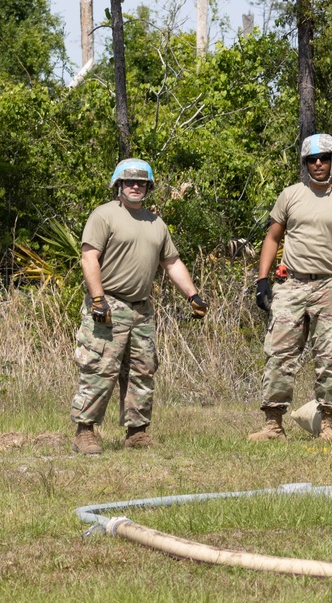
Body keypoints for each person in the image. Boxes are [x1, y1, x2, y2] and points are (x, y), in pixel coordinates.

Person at [70, 158, 208, 455]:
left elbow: (171, 262)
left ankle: (137, 432)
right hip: (108, 304)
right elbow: (89, 257)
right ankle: (85, 431)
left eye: (141, 182)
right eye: (130, 181)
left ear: (149, 186)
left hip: (141, 309)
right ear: (118, 184)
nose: (135, 186)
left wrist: (192, 295)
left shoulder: (156, 223)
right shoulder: (103, 216)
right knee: (100, 368)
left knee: (142, 369)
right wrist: (97, 298)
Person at [249, 134, 332, 442]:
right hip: (291, 284)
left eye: (324, 158)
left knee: (330, 356)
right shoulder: (290, 195)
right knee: (278, 353)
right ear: (305, 164)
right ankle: (273, 425)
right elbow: (272, 238)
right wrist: (262, 280)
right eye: (312, 160)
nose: (318, 164)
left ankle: (329, 425)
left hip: (330, 283)